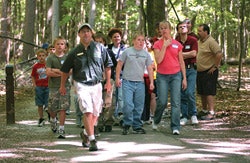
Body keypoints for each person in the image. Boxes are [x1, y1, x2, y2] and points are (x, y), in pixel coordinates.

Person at [59, 23, 113, 152]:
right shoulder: (74, 52)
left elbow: (108, 65)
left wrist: (108, 82)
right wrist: (62, 85)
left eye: (88, 31)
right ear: (79, 34)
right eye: (83, 32)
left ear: (91, 33)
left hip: (97, 84)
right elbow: (65, 70)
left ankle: (85, 132)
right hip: (81, 84)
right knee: (87, 110)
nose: (85, 34)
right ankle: (92, 139)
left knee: (95, 112)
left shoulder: (100, 48)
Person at [152, 20, 187, 135]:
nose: (163, 30)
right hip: (162, 76)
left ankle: (175, 126)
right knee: (162, 101)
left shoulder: (177, 44)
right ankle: (156, 120)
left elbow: (181, 62)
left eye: (165, 28)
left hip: (176, 75)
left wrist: (184, 78)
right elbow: (158, 60)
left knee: (175, 101)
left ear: (170, 29)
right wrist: (165, 46)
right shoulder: (157, 44)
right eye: (161, 28)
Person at [116, 33, 154, 135]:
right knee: (128, 105)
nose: (141, 42)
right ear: (134, 41)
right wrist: (117, 78)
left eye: (143, 40)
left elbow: (150, 68)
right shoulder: (127, 52)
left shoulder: (146, 54)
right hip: (127, 82)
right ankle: (127, 123)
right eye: (138, 39)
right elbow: (119, 65)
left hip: (140, 83)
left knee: (139, 106)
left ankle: (137, 125)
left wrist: (151, 82)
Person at [196, 24, 223, 120]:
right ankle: (204, 110)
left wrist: (215, 66)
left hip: (209, 71)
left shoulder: (211, 41)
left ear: (206, 32)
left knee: (209, 91)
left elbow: (219, 53)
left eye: (200, 31)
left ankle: (211, 112)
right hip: (200, 71)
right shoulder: (199, 42)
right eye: (198, 30)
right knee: (202, 91)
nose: (198, 32)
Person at [46, 36, 70, 139]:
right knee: (52, 108)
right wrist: (61, 73)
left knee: (63, 108)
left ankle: (61, 127)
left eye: (62, 44)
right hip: (53, 86)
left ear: (65, 46)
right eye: (58, 44)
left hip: (65, 86)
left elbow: (69, 72)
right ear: (54, 45)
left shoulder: (67, 57)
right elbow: (48, 72)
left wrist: (55, 70)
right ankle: (53, 120)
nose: (60, 46)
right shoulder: (50, 58)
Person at [176, 21, 199, 125]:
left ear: (188, 28)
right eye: (180, 27)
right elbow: (174, 54)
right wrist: (185, 55)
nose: (182, 28)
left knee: (190, 92)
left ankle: (193, 114)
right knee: (182, 93)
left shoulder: (193, 40)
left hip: (191, 69)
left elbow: (194, 53)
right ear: (178, 30)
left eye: (184, 27)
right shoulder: (176, 41)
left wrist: (181, 55)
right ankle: (184, 116)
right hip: (179, 69)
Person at [105, 28, 127, 130]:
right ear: (111, 38)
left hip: (123, 76)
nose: (116, 38)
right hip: (111, 77)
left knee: (121, 98)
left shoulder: (125, 49)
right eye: (114, 37)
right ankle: (111, 119)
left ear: (121, 37)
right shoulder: (107, 49)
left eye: (118, 36)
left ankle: (122, 118)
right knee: (111, 99)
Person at [31, 48, 49, 127]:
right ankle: (41, 118)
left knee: (48, 103)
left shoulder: (48, 65)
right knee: (39, 104)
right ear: (37, 57)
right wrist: (34, 85)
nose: (41, 57)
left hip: (48, 86)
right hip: (39, 87)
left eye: (43, 55)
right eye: (39, 56)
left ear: (46, 56)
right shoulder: (35, 66)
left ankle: (51, 116)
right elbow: (33, 76)